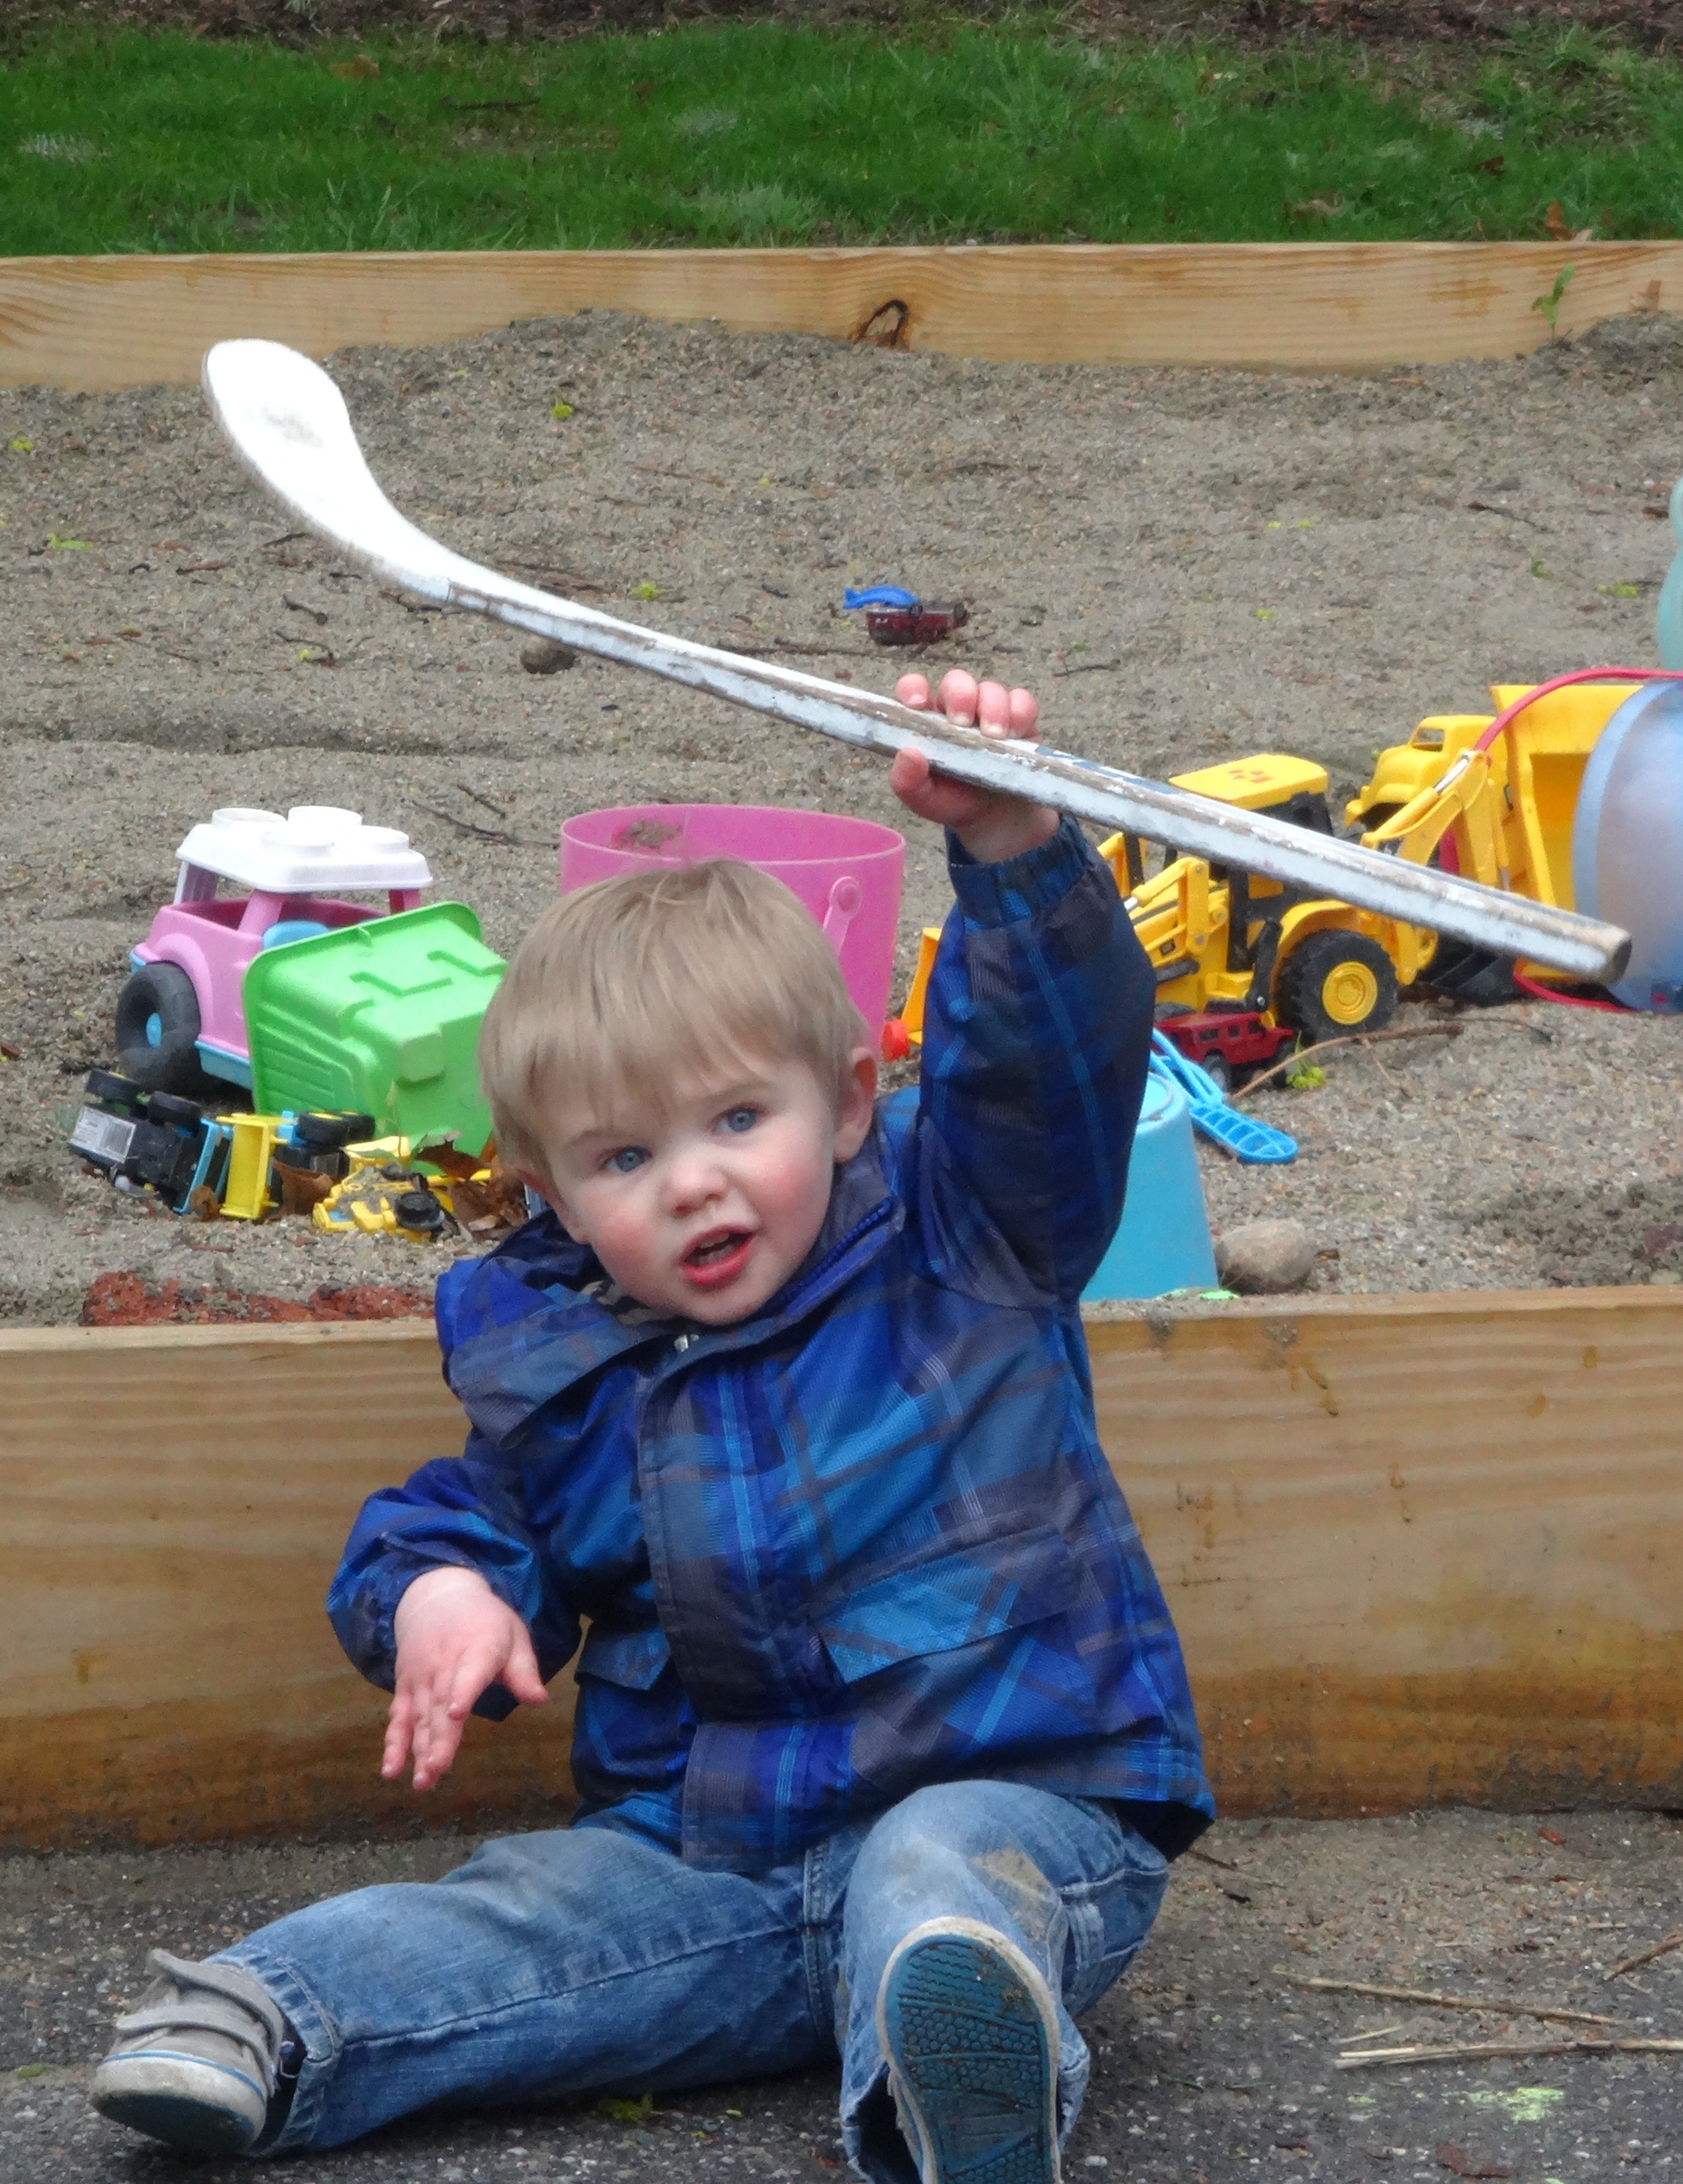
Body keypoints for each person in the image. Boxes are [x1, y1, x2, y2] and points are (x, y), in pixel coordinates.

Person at [87, 668, 1209, 2179]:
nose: (691, 1180)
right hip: (718, 1866)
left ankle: (954, 2060)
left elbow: (1044, 1063)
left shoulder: (969, 1230)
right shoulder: (564, 1369)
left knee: (933, 1870)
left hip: (1024, 1813)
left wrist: (1012, 842)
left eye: (739, 1118)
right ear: (551, 1193)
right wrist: (442, 1594)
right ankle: (277, 2015)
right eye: (623, 1156)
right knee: (531, 1913)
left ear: (848, 1101)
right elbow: (465, 1516)